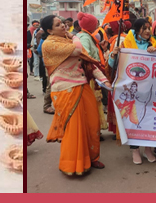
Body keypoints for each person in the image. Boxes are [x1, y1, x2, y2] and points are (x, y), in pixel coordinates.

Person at [42, 15, 112, 176]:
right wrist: (75, 36)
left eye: (62, 23)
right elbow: (78, 50)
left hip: (82, 85)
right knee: (74, 128)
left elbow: (88, 64)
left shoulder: (69, 40)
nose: (63, 26)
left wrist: (104, 81)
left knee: (92, 124)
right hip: (65, 89)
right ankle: (73, 164)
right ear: (49, 30)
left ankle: (93, 158)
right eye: (58, 25)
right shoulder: (49, 44)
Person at [120, 18, 156, 164]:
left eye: (149, 28)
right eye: (144, 28)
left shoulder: (155, 44)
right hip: (132, 89)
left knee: (149, 118)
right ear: (136, 30)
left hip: (151, 88)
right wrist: (114, 55)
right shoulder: (126, 44)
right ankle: (135, 150)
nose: (148, 31)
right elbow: (115, 65)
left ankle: (148, 149)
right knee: (133, 119)